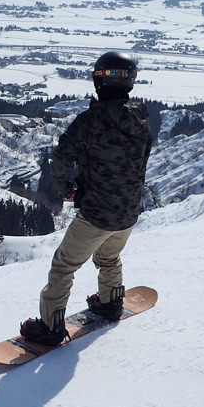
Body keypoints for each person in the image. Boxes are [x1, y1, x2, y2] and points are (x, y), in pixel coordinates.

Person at [20, 51, 153, 345]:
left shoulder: (89, 121)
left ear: (99, 80)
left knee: (64, 265)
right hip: (129, 211)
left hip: (97, 212)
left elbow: (62, 157)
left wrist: (63, 187)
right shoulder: (141, 121)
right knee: (108, 256)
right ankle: (110, 301)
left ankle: (50, 326)